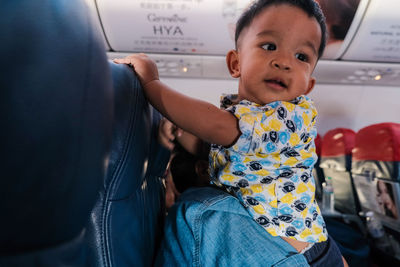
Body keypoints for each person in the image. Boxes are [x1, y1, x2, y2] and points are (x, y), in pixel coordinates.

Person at [116, 0, 347, 265]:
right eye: (269, 46)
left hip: (296, 252)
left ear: (308, 87)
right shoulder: (241, 116)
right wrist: (180, 132)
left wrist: (151, 83)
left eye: (301, 57)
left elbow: (214, 126)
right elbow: (212, 146)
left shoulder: (290, 117)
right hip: (281, 244)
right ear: (235, 63)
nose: (284, 62)